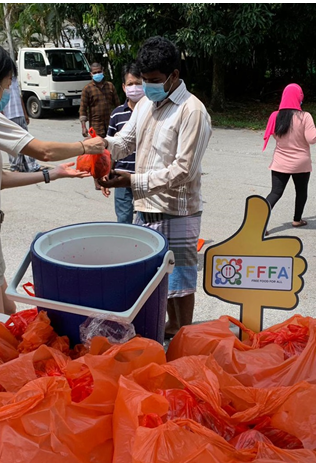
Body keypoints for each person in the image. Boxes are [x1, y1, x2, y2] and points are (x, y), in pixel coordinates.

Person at [0, 41, 105, 314]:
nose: (8, 90)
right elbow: (42, 150)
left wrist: (52, 174)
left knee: (8, 314)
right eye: (7, 83)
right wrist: (84, 147)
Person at [98, 37, 212, 339]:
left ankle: (181, 335)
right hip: (144, 206)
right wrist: (98, 148)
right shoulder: (146, 104)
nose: (147, 87)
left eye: (154, 81)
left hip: (177, 209)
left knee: (181, 280)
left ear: (174, 76)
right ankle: (165, 330)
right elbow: (125, 141)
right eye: (145, 80)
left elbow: (183, 170)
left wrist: (132, 181)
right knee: (152, 278)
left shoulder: (193, 112)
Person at [262, 83, 316, 231]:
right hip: (301, 163)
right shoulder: (305, 116)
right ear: (299, 98)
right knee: (301, 191)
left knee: (275, 193)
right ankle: (297, 220)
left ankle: (259, 223)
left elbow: (275, 136)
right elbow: (312, 138)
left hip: (280, 162)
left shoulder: (275, 116)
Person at [101, 63, 144, 224]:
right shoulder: (117, 114)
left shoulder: (153, 112)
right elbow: (111, 147)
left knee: (146, 220)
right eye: (131, 84)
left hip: (143, 177)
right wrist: (106, 172)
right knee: (124, 220)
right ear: (124, 87)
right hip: (121, 175)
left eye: (138, 84)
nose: (134, 88)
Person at [2, 75, 41, 173]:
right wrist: (2, 116)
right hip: (8, 116)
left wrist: (25, 113)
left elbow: (19, 97)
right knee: (13, 144)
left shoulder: (14, 80)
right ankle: (15, 167)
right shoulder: (0, 80)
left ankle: (31, 165)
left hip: (19, 114)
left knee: (26, 141)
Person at [79, 62, 119, 138]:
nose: (97, 74)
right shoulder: (87, 89)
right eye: (95, 73)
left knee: (112, 147)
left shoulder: (110, 86)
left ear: (103, 71)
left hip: (110, 125)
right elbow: (82, 109)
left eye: (99, 72)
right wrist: (83, 127)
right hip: (96, 127)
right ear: (91, 74)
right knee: (98, 148)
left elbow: (118, 106)